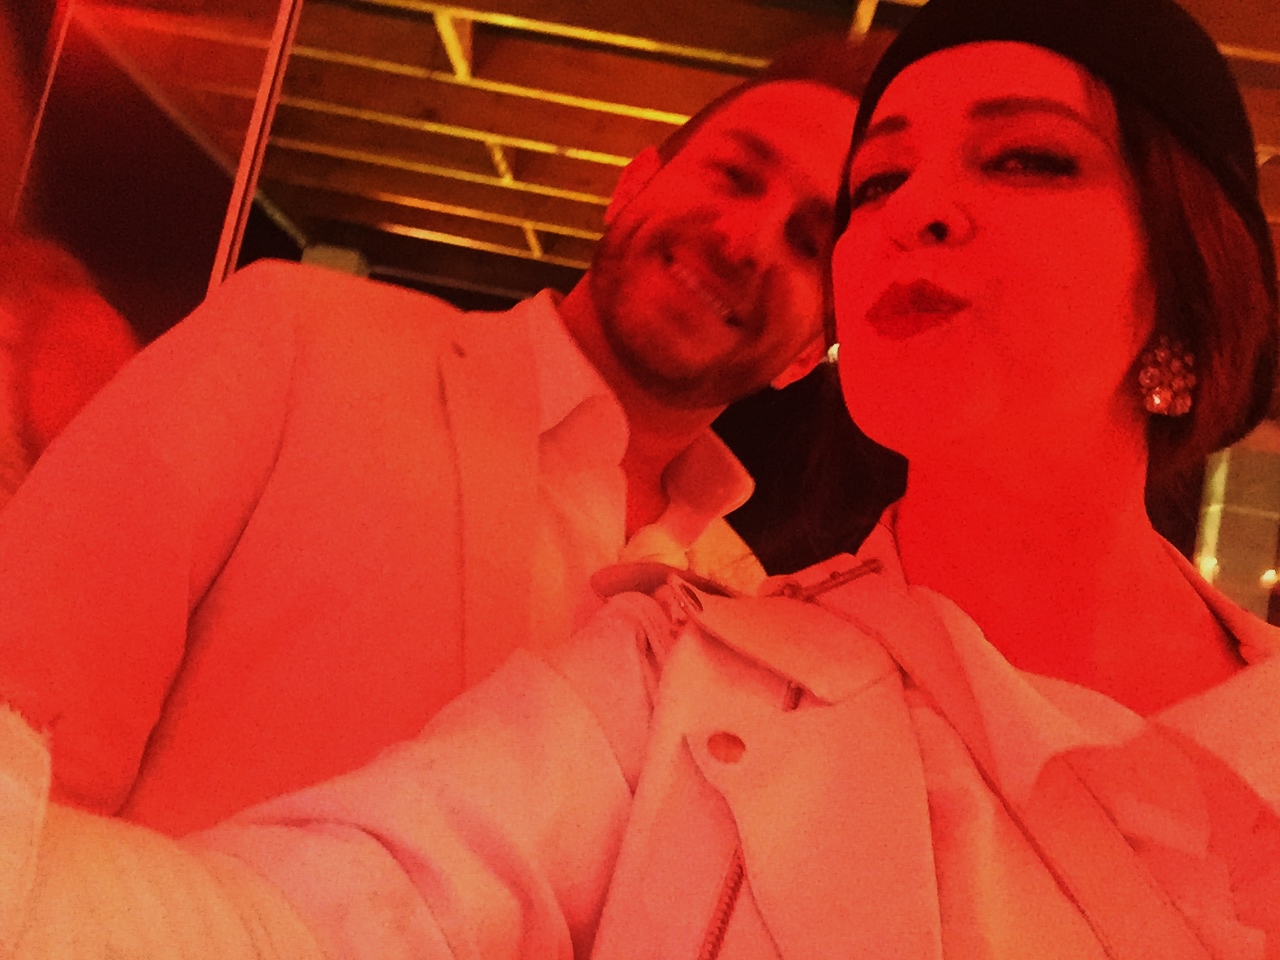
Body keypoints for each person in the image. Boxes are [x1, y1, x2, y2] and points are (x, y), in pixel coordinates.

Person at [2, 0, 1278, 955]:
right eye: (878, 181)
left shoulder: (725, 585)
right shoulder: (682, 664)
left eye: (1026, 157)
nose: (907, 210)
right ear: (633, 186)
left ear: (816, 345)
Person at [0, 38, 874, 834]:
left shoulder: (739, 612)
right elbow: (25, 722)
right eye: (735, 175)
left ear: (810, 352)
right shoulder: (300, 336)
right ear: (632, 186)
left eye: (809, 244)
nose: (745, 241)